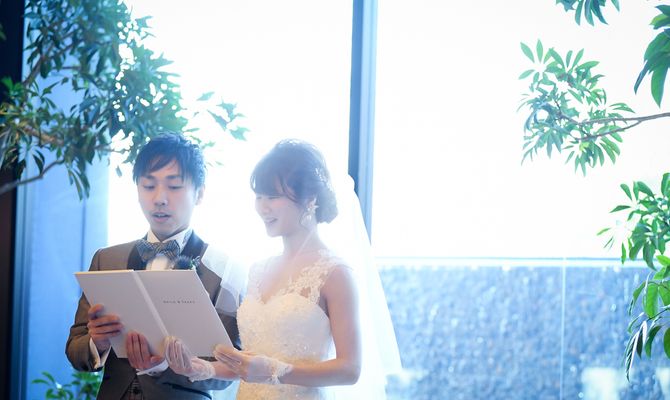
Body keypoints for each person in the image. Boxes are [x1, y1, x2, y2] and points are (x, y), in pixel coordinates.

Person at [163, 139, 401, 399]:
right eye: (259, 197)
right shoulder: (258, 270)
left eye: (273, 197)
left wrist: (276, 371)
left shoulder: (335, 273)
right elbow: (250, 363)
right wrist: (205, 368)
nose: (262, 207)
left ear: (309, 199)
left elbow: (349, 369)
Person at [66, 133, 244, 400]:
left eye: (174, 186)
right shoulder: (106, 260)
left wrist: (167, 365)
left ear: (199, 193)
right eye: (148, 186)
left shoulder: (222, 270)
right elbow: (75, 350)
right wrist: (97, 342)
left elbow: (231, 369)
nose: (159, 198)